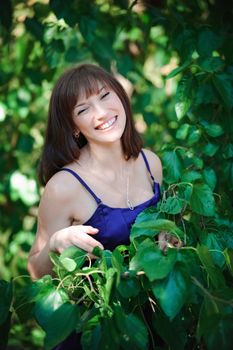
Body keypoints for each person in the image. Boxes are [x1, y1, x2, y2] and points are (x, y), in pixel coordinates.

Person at [27, 63, 177, 349]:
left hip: (153, 325)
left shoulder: (150, 163)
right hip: (95, 330)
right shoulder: (64, 186)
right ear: (73, 127)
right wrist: (57, 242)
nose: (101, 112)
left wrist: (168, 239)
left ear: (121, 96)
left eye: (105, 96)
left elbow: (166, 227)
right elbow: (36, 270)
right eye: (83, 109)